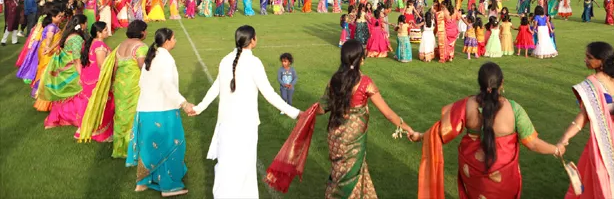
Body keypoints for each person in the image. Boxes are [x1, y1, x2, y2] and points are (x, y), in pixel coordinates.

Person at [413, 62, 565, 199]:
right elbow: (533, 144)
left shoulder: (466, 105)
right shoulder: (514, 109)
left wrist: (420, 136)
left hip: (472, 175)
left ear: (480, 83)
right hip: (504, 179)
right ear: (502, 84)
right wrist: (556, 149)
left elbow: (442, 130)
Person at [188, 25, 302, 199]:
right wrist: (296, 113)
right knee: (244, 168)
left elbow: (215, 88)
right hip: (246, 125)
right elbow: (269, 93)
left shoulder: (226, 59)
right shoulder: (253, 63)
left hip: (226, 124)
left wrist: (199, 107)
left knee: (226, 167)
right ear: (252, 40)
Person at [314, 40, 415, 197]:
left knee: (339, 173)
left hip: (335, 135)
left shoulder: (335, 80)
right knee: (351, 175)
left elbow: (321, 108)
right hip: (354, 138)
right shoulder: (365, 82)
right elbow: (387, 113)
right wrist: (408, 128)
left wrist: (302, 114)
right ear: (360, 59)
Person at [558, 42, 614, 199]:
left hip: (608, 137)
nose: (585, 60)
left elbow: (584, 117)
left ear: (600, 61)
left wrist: (565, 138)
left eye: (589, 57)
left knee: (603, 179)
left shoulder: (593, 83)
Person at [127, 28, 193, 196]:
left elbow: (142, 83)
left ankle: (142, 182)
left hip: (145, 109)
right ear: (167, 41)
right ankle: (169, 185)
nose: (175, 41)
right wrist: (183, 103)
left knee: (149, 146)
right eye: (174, 38)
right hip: (162, 109)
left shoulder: (153, 56)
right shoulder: (165, 59)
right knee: (173, 145)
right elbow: (167, 85)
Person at [78, 20, 149, 158]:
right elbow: (142, 66)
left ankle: (120, 148)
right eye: (145, 30)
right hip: (134, 86)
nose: (146, 32)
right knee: (134, 115)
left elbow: (114, 67)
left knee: (121, 115)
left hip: (120, 86)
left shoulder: (121, 45)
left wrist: (113, 83)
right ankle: (133, 148)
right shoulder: (141, 47)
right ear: (141, 32)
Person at [40, 14, 88, 128]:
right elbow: (76, 59)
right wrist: (81, 75)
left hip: (65, 66)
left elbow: (60, 41)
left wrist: (50, 49)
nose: (86, 25)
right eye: (86, 23)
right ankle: (75, 117)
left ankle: (60, 117)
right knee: (77, 91)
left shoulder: (69, 34)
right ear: (81, 25)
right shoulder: (77, 38)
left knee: (66, 95)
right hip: (71, 68)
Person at [73, 21, 113, 142]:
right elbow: (102, 65)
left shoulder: (90, 42)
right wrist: (109, 79)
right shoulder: (100, 45)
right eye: (105, 30)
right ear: (99, 33)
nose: (108, 32)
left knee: (90, 105)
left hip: (88, 78)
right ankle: (100, 133)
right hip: (97, 79)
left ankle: (86, 129)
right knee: (101, 105)